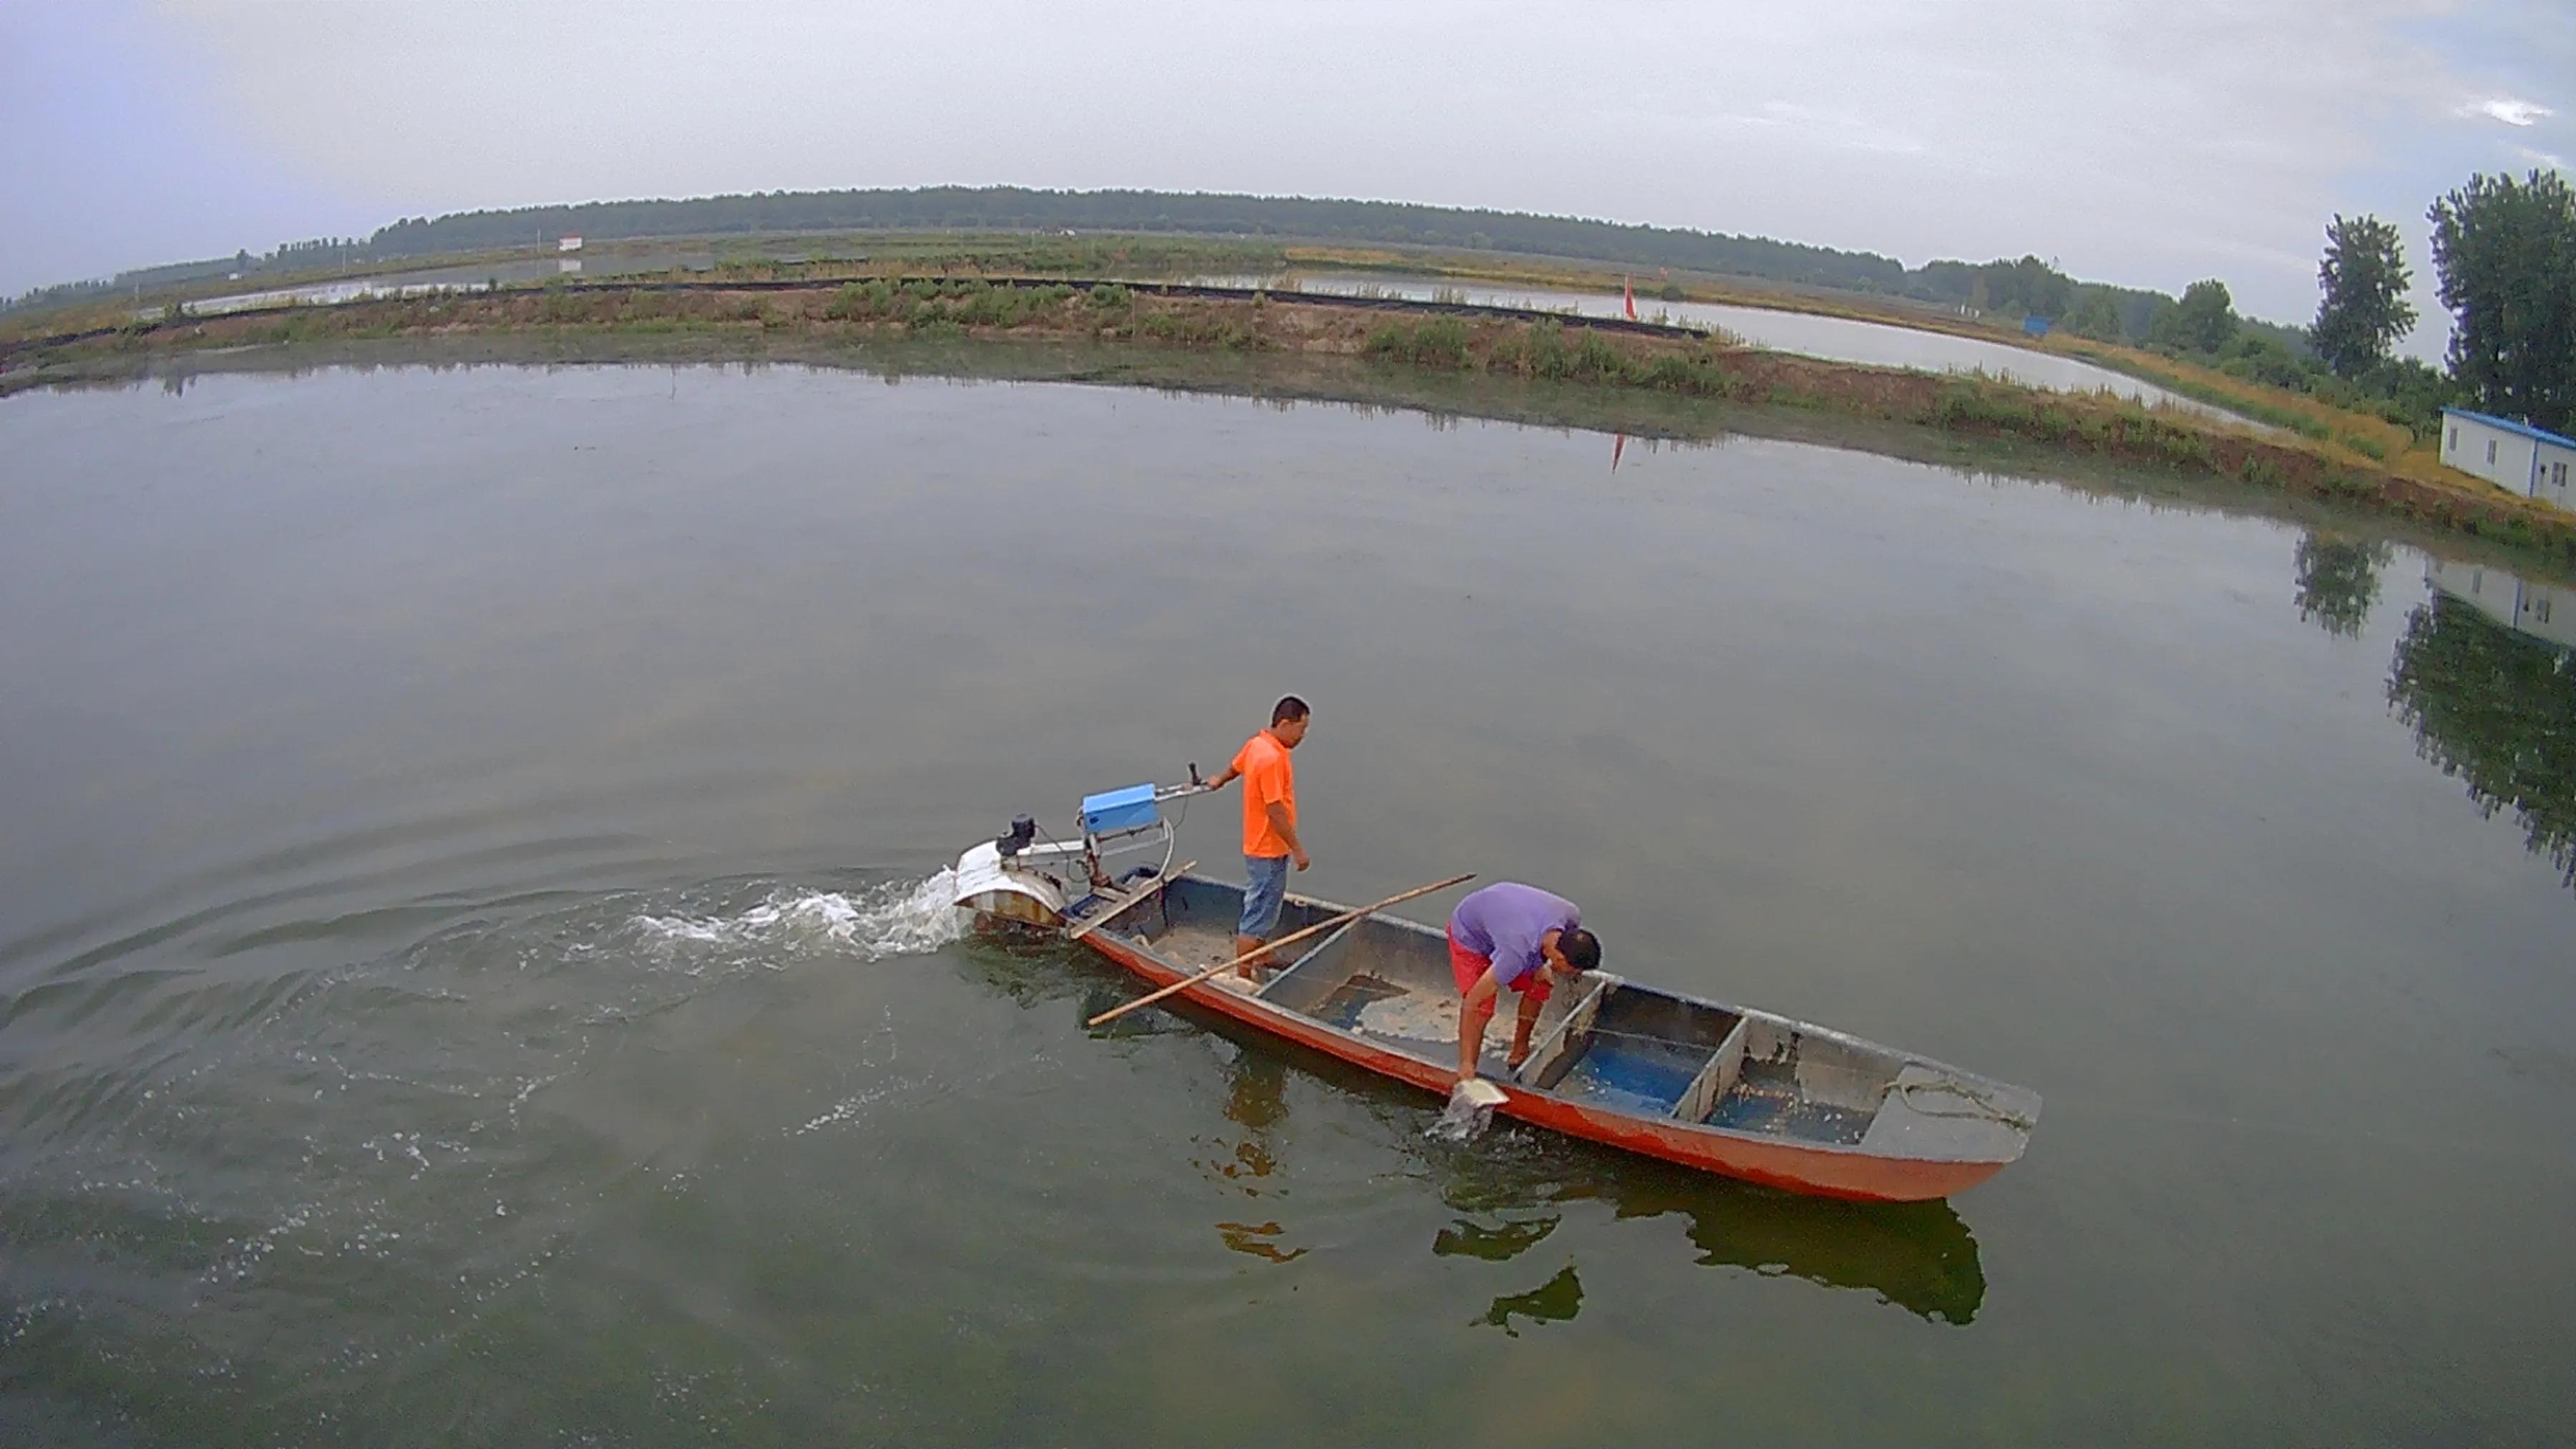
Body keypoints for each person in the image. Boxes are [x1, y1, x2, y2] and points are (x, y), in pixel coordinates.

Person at [1448, 882, 1601, 1088]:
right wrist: (1466, 1064)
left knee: (1542, 983)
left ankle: (1520, 1048)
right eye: (1574, 972)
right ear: (1560, 960)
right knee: (1483, 1006)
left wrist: (1540, 966)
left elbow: (1543, 951)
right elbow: (1472, 1003)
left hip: (1508, 922)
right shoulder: (1515, 953)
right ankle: (1468, 1069)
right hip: (1471, 936)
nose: (1574, 976)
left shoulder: (1570, 916)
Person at [1201, 696, 1311, 979]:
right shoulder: (1271, 758)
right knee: (1259, 910)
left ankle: (1261, 954)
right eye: (1301, 729)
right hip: (1267, 848)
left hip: (1260, 844)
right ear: (1285, 724)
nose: (1302, 736)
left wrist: (1219, 779)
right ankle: (1243, 975)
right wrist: (1298, 850)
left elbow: (1236, 767)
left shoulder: (1258, 744)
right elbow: (1274, 811)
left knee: (1267, 904)